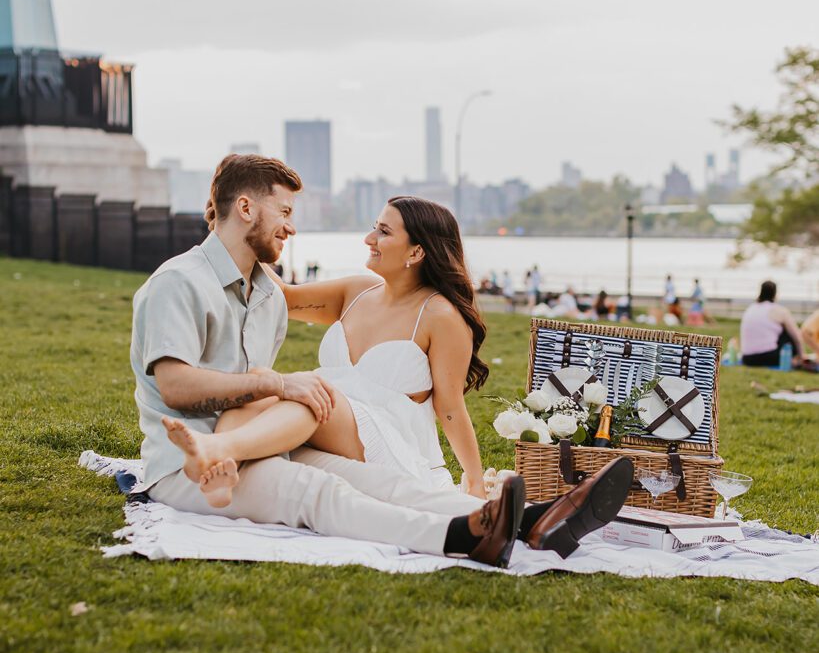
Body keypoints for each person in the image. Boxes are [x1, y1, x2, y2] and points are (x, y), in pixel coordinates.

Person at [133, 154, 631, 566]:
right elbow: (176, 387)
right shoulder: (180, 283)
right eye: (284, 212)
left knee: (378, 481)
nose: (292, 226)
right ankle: (461, 536)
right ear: (244, 207)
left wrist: (476, 477)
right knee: (318, 489)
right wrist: (279, 385)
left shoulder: (266, 295)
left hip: (267, 439)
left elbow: (449, 402)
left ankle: (530, 522)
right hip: (185, 465)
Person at [197, 195, 489, 498]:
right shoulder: (358, 291)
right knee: (255, 391)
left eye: (384, 232)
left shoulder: (441, 316)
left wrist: (475, 480)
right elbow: (283, 296)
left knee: (313, 395)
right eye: (374, 227)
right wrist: (228, 231)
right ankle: (223, 469)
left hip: (388, 442)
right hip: (328, 416)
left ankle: (218, 450)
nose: (369, 239)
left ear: (416, 252)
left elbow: (451, 407)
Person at [739, 281, 805, 367]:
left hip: (747, 358)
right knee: (787, 333)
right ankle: (795, 360)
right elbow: (797, 337)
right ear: (775, 293)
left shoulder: (750, 308)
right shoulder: (779, 310)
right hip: (770, 357)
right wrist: (802, 356)